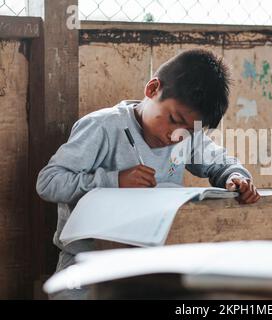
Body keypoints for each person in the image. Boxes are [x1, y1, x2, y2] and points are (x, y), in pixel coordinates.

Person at [36, 49, 260, 299]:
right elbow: (49, 181)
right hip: (90, 262)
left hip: (153, 263)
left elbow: (222, 162)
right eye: (174, 119)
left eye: (189, 130)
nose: (177, 135)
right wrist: (114, 181)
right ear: (153, 89)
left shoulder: (185, 137)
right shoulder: (103, 127)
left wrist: (235, 177)